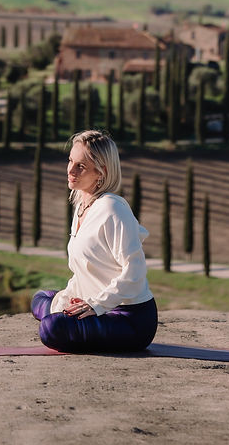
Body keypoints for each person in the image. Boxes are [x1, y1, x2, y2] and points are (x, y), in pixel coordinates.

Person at [31, 129, 158, 353]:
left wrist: (96, 305)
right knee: (40, 299)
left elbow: (135, 271)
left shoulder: (113, 208)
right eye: (70, 160)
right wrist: (70, 300)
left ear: (102, 172)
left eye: (81, 166)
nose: (70, 170)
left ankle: (69, 318)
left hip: (130, 318)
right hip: (93, 304)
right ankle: (68, 313)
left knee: (51, 328)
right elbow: (84, 273)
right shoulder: (82, 205)